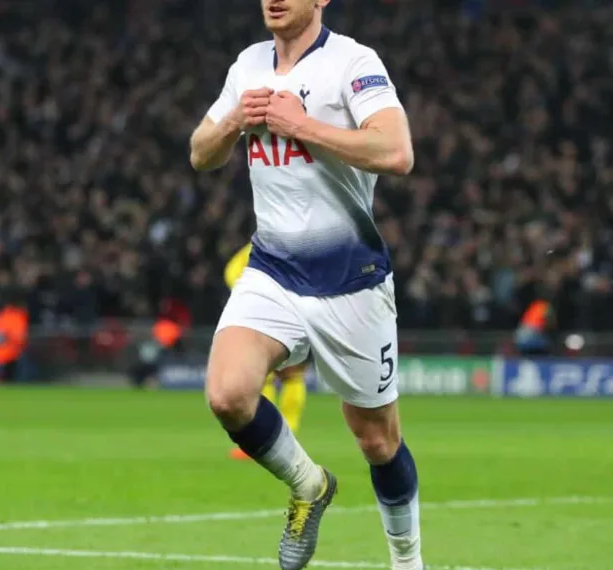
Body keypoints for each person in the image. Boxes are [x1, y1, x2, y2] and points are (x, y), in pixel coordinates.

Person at [188, 0, 419, 568]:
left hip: (351, 280)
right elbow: (200, 154)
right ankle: (309, 485)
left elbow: (396, 152)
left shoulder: (353, 63)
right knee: (227, 394)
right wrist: (233, 122)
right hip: (272, 269)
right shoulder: (248, 65)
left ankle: (407, 560)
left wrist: (301, 126)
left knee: (377, 440)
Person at [224, 242, 308, 461]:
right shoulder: (295, 241)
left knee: (278, 375)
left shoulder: (266, 241)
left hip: (276, 314)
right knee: (280, 376)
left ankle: (268, 439)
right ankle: (274, 438)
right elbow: (232, 271)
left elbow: (232, 271)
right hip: (289, 312)